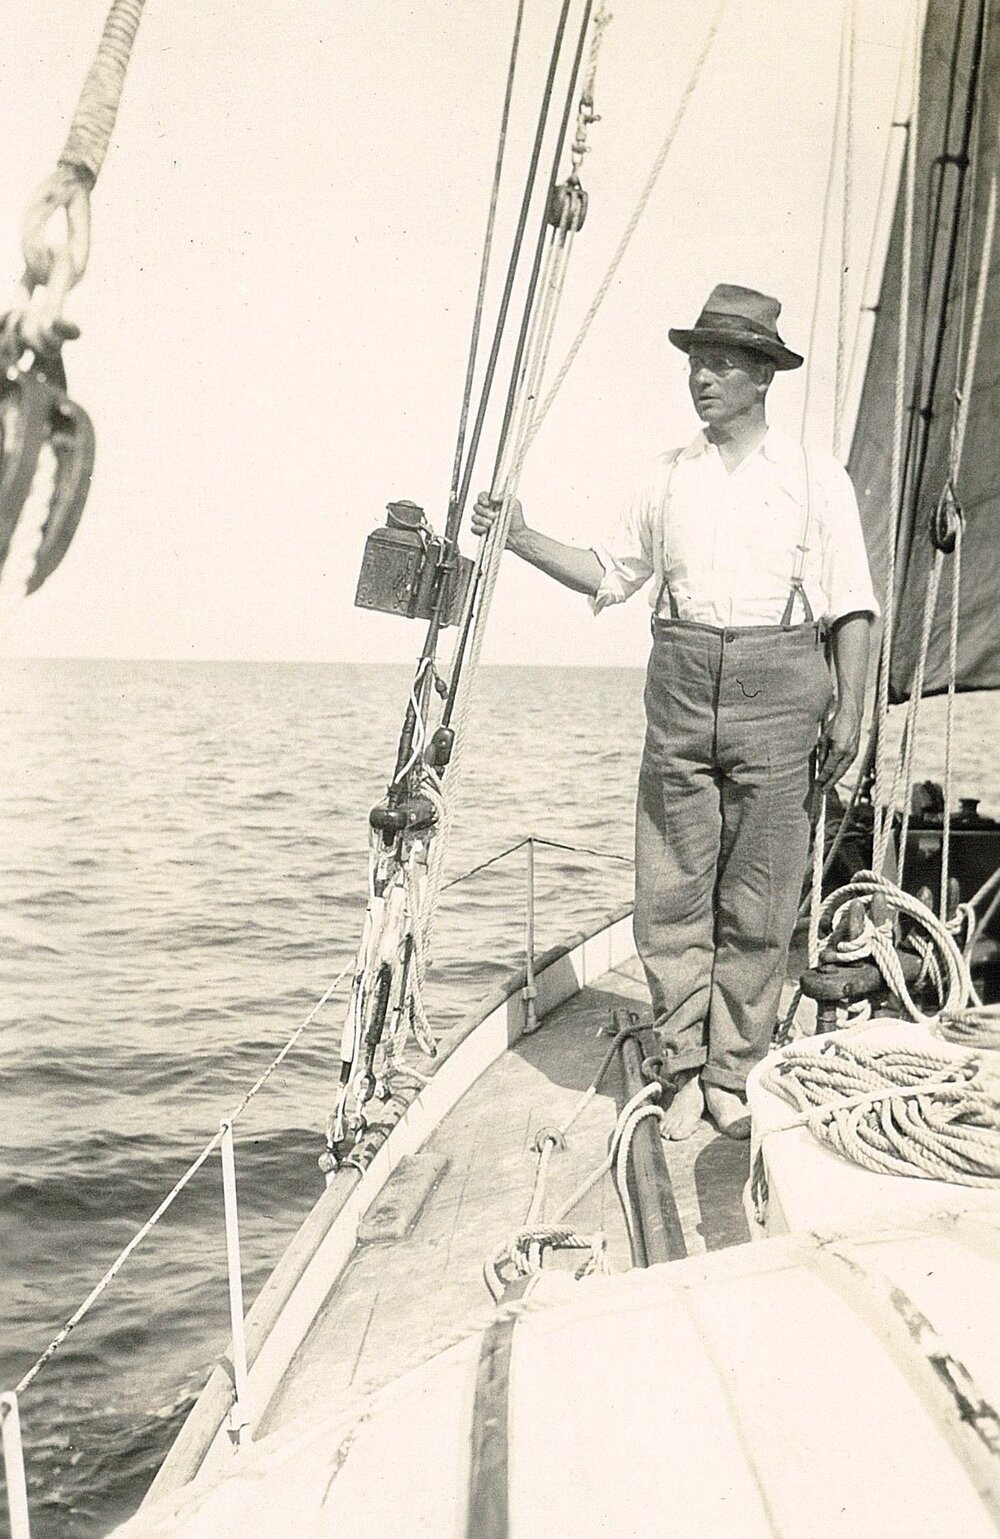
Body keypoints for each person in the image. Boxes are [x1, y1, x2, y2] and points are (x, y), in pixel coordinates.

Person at [471, 284, 877, 1141]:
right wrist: (519, 535)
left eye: (722, 361)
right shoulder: (666, 478)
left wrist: (852, 710)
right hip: (683, 686)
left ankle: (732, 1070)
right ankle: (684, 1066)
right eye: (695, 359)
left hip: (782, 687)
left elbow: (852, 604)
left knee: (761, 899)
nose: (701, 376)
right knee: (671, 890)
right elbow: (609, 574)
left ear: (764, 376)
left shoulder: (815, 478)